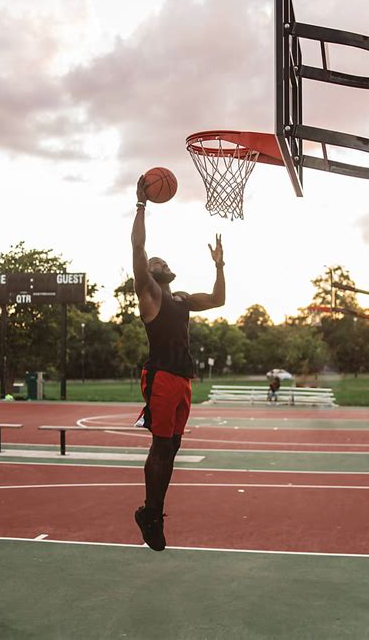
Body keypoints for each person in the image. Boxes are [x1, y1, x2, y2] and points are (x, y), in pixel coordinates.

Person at [131, 175, 225, 551]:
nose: (158, 260)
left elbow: (218, 299)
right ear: (149, 274)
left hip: (182, 378)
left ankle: (153, 512)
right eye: (154, 262)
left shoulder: (182, 299)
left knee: (172, 447)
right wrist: (142, 205)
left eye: (162, 260)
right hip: (161, 376)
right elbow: (138, 246)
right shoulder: (149, 295)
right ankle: (150, 512)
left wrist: (220, 265)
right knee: (160, 445)